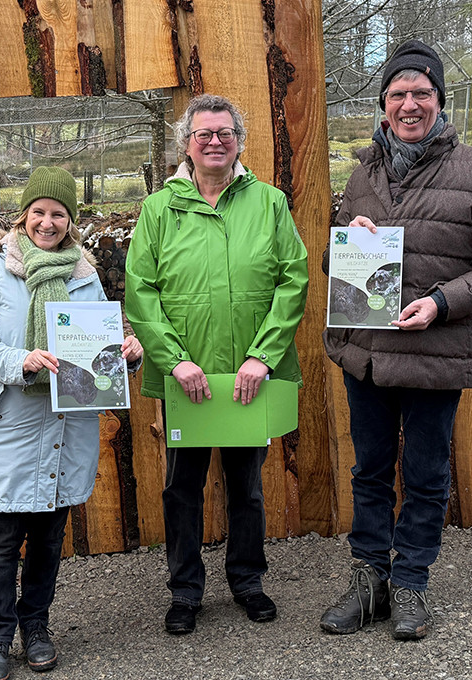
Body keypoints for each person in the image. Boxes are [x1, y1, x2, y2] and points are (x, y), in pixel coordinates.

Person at [320, 40, 472, 640]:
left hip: (437, 354)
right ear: (383, 105)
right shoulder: (364, 172)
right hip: (368, 355)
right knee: (371, 471)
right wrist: (347, 240)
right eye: (398, 95)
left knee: (428, 472)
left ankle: (411, 581)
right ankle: (369, 582)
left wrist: (441, 303)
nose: (409, 105)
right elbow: (341, 265)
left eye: (421, 93)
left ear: (440, 99)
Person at [125, 94, 309, 635]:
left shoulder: (269, 203)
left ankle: (247, 582)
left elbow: (292, 281)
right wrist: (175, 361)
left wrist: (263, 355)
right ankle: (185, 591)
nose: (214, 141)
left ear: (238, 141)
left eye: (224, 132)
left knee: (246, 487)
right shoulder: (160, 209)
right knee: (182, 489)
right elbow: (141, 291)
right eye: (203, 133)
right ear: (187, 142)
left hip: (248, 378)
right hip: (188, 383)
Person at [0, 166, 143, 679]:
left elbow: (100, 341)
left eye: (58, 213)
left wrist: (125, 353)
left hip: (64, 427)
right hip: (10, 425)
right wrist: (22, 361)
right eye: (39, 212)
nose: (47, 222)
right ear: (24, 215)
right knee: (0, 539)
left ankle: (35, 626)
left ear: (70, 221)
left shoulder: (84, 276)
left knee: (48, 537)